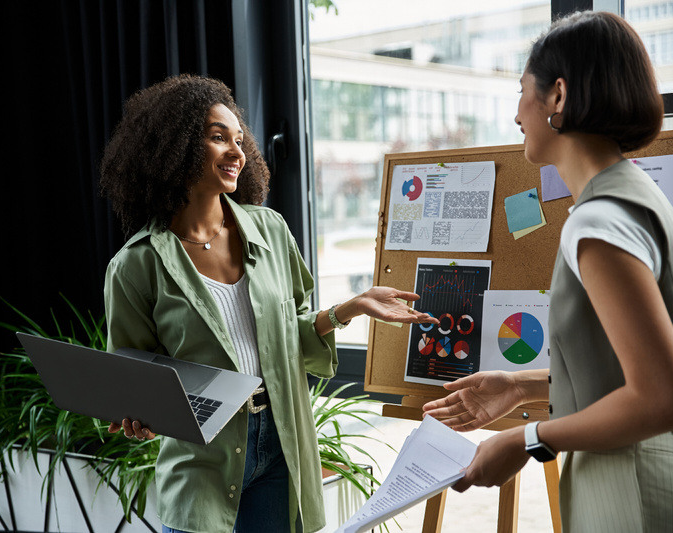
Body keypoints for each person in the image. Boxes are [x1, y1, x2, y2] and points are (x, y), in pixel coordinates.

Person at [99, 74, 437, 533]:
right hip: (202, 462)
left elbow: (290, 329)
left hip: (281, 442)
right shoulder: (135, 266)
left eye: (239, 139)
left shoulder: (270, 231)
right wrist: (143, 415)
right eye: (219, 138)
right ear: (174, 147)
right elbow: (136, 374)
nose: (237, 152)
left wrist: (350, 308)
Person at [422, 11, 673, 532]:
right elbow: (623, 363)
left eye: (522, 91)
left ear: (557, 96)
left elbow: (658, 395)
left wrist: (526, 438)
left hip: (632, 493)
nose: (517, 114)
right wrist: (522, 386)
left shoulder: (599, 223)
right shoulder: (637, 196)